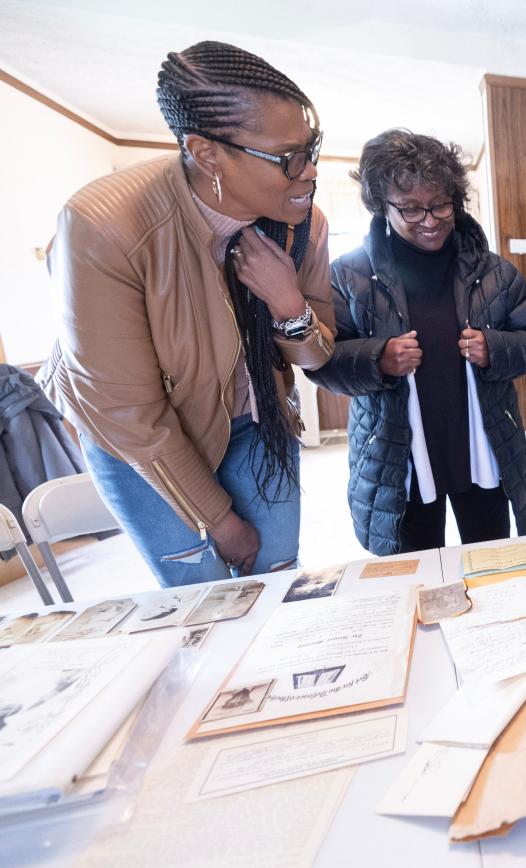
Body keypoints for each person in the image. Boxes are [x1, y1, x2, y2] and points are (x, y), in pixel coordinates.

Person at [39, 41, 333, 586]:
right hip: (141, 447)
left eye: (312, 148)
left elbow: (315, 356)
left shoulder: (303, 222)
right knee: (200, 594)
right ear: (206, 152)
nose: (310, 170)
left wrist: (287, 302)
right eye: (288, 157)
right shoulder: (104, 226)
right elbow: (131, 415)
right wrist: (218, 521)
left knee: (278, 577)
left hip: (256, 421)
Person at [309, 130, 526, 553]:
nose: (430, 220)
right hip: (399, 457)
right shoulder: (348, 276)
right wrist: (377, 359)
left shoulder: (494, 272)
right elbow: (322, 362)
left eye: (440, 204)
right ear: (382, 206)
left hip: (482, 449)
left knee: (492, 566)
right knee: (413, 582)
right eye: (411, 209)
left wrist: (495, 348)